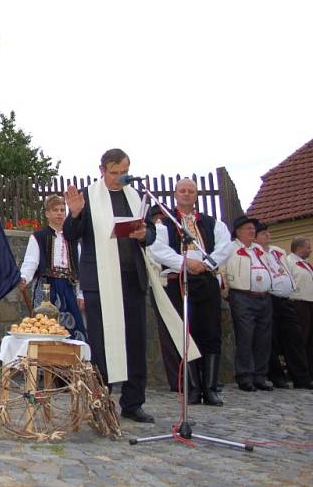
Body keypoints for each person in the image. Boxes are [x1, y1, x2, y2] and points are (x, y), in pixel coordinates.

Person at [63, 148, 157, 423]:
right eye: (113, 172)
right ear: (102, 170)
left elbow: (150, 231)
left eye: (123, 172)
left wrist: (144, 234)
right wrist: (76, 214)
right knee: (103, 345)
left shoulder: (135, 195)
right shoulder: (88, 196)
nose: (118, 178)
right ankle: (101, 401)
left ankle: (133, 402)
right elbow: (71, 235)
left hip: (131, 278)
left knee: (135, 341)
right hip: (101, 282)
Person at [148, 179, 232, 405]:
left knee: (211, 331)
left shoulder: (212, 223)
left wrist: (206, 262)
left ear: (196, 195)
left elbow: (225, 246)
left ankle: (211, 387)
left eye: (190, 191)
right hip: (180, 281)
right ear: (176, 194)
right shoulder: (164, 223)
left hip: (206, 279)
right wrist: (184, 262)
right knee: (186, 333)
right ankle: (192, 387)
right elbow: (157, 249)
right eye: (182, 191)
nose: (186, 194)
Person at [19, 194, 87, 342]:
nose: (59, 213)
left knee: (73, 328)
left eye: (62, 210)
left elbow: (81, 269)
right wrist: (24, 277)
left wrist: (81, 294)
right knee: (45, 326)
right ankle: (44, 361)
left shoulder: (74, 239)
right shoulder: (38, 237)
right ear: (47, 213)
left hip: (68, 288)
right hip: (46, 288)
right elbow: (31, 262)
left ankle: (71, 362)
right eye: (55, 210)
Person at [254, 224, 313, 389]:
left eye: (267, 232)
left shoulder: (278, 251)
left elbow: (285, 269)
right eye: (263, 233)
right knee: (272, 338)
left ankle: (301, 377)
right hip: (269, 297)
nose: (267, 235)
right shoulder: (256, 252)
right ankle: (276, 376)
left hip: (285, 298)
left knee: (295, 337)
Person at [221, 216, 273, 392]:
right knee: (245, 337)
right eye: (249, 228)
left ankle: (260, 376)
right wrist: (226, 292)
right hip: (242, 296)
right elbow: (222, 270)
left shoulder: (258, 249)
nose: (253, 231)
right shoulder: (230, 249)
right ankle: (245, 376)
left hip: (263, 297)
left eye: (253, 229)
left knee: (263, 338)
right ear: (238, 231)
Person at [287, 237, 313, 384]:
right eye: (308, 247)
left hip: (310, 302)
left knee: (310, 340)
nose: (310, 250)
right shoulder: (290, 262)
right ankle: (301, 374)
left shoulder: (306, 265)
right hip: (298, 302)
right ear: (300, 248)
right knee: (300, 338)